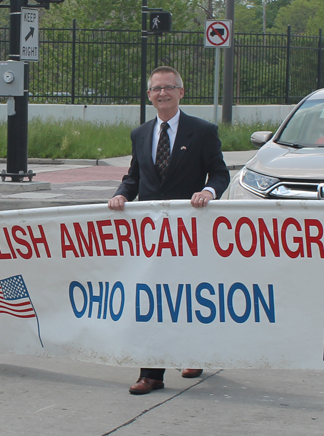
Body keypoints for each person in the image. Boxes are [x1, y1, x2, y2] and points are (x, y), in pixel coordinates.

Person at [108, 66, 230, 395]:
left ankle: (196, 353)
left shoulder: (202, 131)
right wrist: (122, 193)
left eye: (169, 88)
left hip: (189, 231)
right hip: (151, 233)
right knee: (153, 300)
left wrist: (209, 192)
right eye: (156, 89)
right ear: (149, 95)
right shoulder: (141, 134)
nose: (162, 93)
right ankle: (152, 374)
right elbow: (135, 177)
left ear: (181, 91)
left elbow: (220, 174)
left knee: (190, 297)